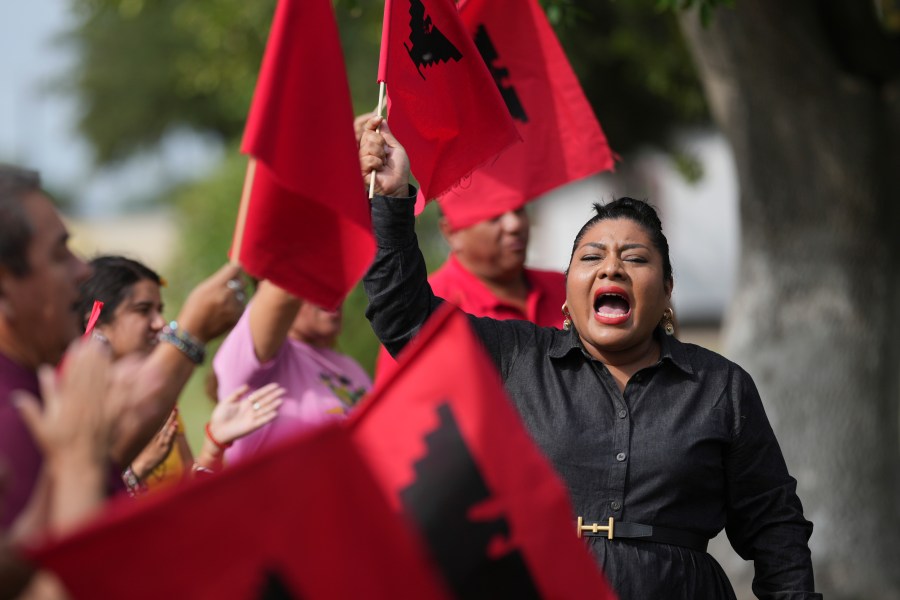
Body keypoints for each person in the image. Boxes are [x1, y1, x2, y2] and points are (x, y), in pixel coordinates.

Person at [358, 119, 822, 599]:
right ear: (567, 292)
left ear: (667, 293)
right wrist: (391, 200)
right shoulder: (516, 357)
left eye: (636, 259)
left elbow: (775, 529)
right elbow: (405, 319)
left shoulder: (719, 386)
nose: (611, 267)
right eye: (592, 256)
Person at [0, 164, 245, 528]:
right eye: (58, 255)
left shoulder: (44, 385)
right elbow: (49, 569)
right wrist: (190, 334)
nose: (82, 270)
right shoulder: (11, 410)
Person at [76, 256, 285, 493]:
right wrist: (137, 472)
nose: (160, 323)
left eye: (160, 310)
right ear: (96, 322)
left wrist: (215, 444)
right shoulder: (75, 408)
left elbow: (187, 500)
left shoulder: (163, 403)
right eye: (143, 310)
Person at [213, 281, 371, 464]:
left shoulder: (348, 365)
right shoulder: (252, 360)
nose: (333, 288)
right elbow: (285, 281)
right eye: (316, 281)